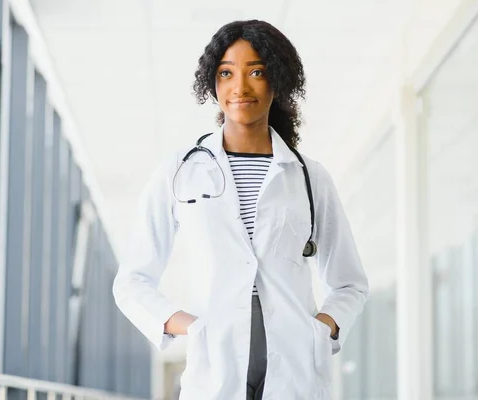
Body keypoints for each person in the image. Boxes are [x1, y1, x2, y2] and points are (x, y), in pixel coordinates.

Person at [113, 19, 369, 400]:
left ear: (277, 81)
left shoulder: (310, 177)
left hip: (295, 364)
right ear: (212, 83)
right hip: (214, 363)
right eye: (226, 73)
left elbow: (350, 283)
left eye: (257, 72)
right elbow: (132, 281)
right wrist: (188, 326)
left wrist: (322, 327)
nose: (240, 87)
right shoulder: (180, 172)